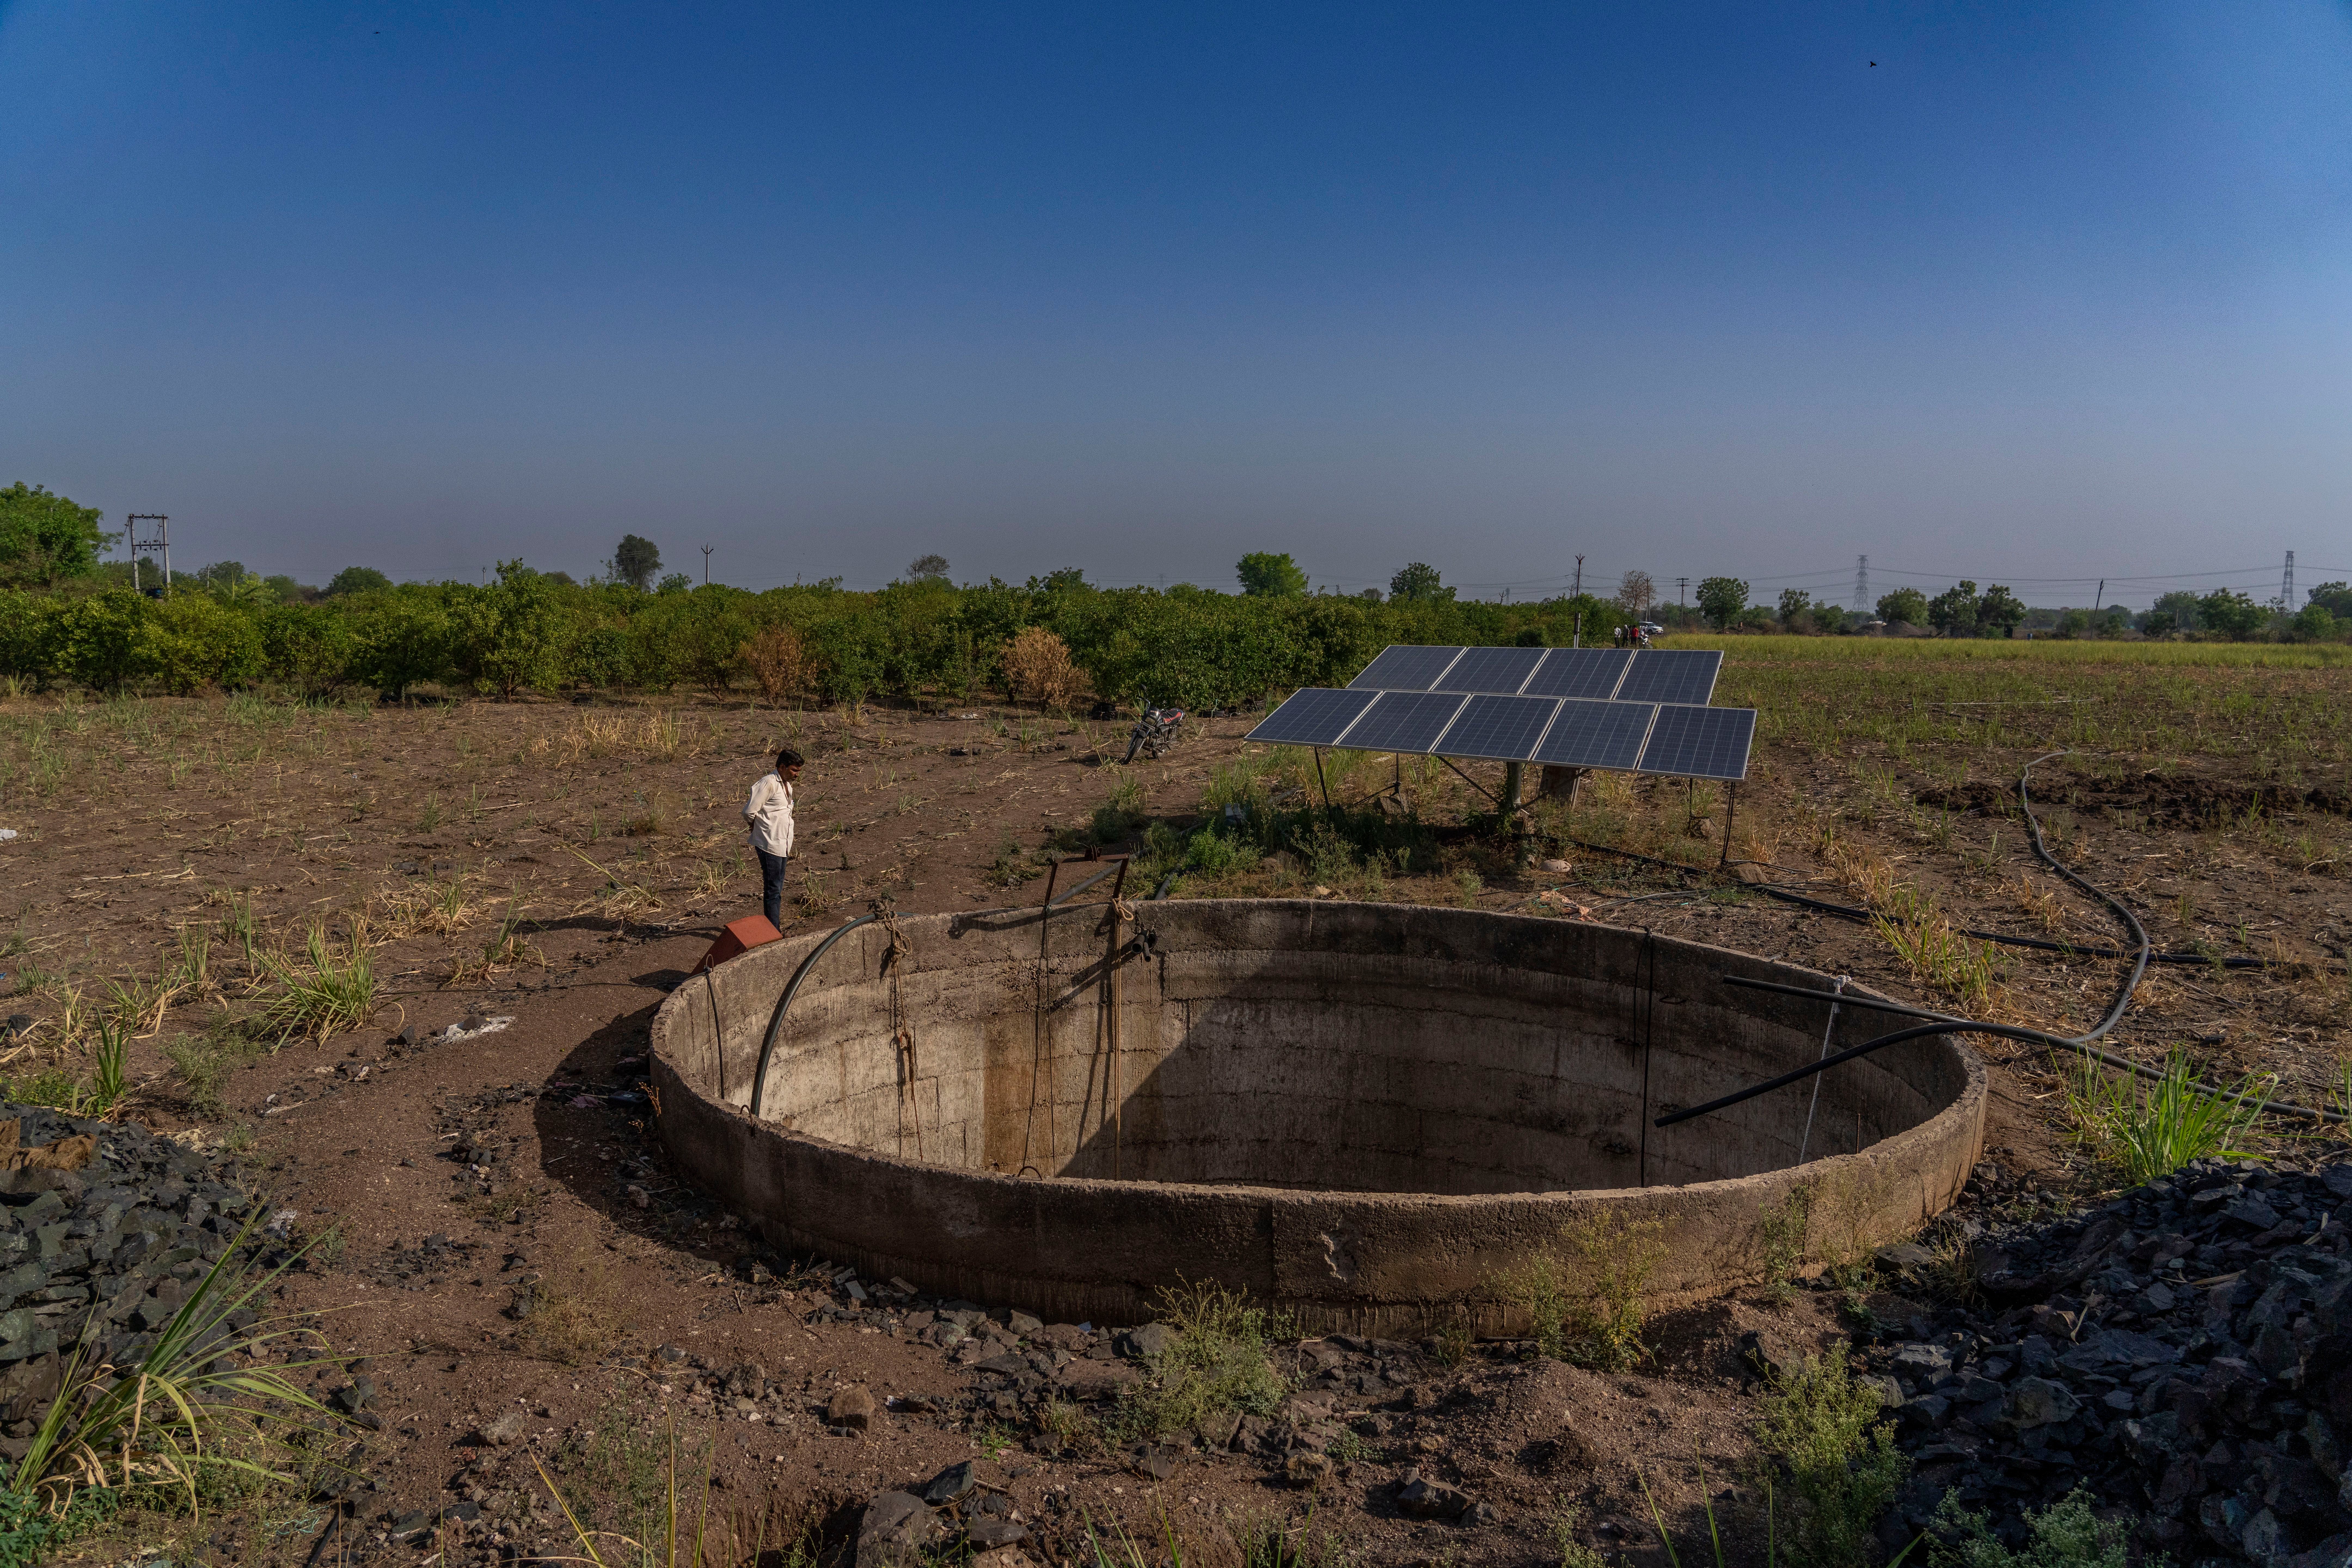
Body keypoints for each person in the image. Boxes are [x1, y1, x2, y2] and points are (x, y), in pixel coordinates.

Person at [743, 747, 803, 929]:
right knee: (773, 889)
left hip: (782, 843)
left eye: (798, 772)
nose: (796, 775)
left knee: (777, 888)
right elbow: (749, 811)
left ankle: (773, 929)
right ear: (782, 767)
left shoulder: (786, 785)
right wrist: (756, 827)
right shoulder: (768, 783)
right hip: (769, 843)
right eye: (794, 770)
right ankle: (773, 931)